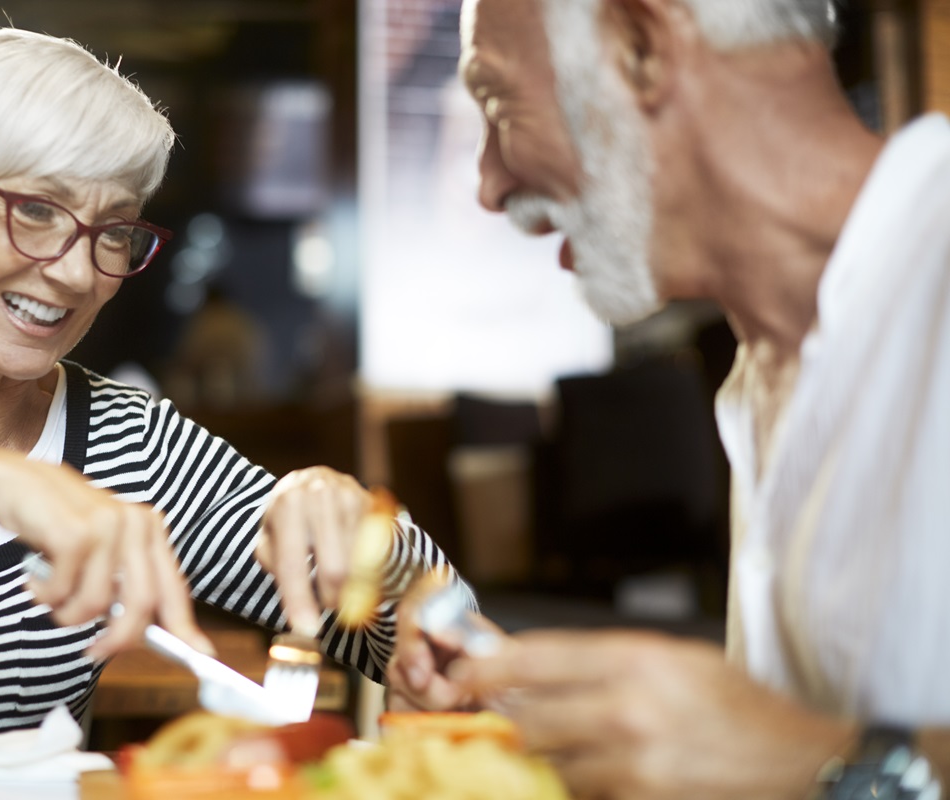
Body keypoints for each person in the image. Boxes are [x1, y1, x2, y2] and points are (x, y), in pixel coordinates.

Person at [0, 27, 464, 736]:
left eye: (114, 230)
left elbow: (439, 632)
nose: (76, 273)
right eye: (35, 210)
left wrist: (372, 539)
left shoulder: (137, 449)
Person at [386, 0, 950, 797]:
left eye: (499, 104)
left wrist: (826, 766)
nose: (488, 184)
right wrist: (539, 717)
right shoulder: (762, 372)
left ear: (643, 48)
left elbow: (804, 759)